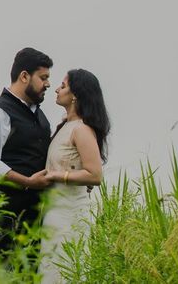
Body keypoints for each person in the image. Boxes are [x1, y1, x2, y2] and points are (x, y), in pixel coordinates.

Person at [0, 47, 54, 262]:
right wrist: (27, 181)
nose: (48, 84)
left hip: (34, 216)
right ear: (24, 76)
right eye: (43, 77)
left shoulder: (41, 117)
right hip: (3, 214)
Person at [39, 69, 111, 283]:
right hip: (54, 214)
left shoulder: (81, 130)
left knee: (65, 274)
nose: (57, 89)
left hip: (70, 217)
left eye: (63, 85)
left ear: (75, 94)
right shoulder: (65, 127)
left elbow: (95, 175)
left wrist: (57, 176)